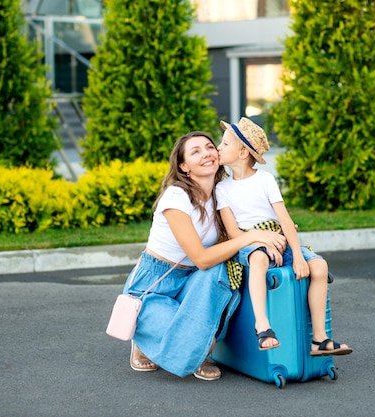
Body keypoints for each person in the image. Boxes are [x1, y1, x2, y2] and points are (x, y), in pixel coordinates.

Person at [123, 130, 287, 381]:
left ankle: (197, 345)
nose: (207, 154)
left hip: (193, 282)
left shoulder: (222, 193)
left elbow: (248, 226)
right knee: (194, 336)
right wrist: (253, 236)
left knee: (216, 273)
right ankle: (144, 338)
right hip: (155, 286)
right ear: (184, 166)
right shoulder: (176, 196)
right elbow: (201, 257)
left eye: (210, 147)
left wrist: (276, 232)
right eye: (195, 151)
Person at [216, 117, 353, 356]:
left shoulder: (265, 180)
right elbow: (234, 233)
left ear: (242, 153)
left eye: (225, 144)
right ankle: (263, 326)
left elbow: (286, 221)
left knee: (319, 266)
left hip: (278, 237)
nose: (218, 147)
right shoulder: (222, 189)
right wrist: (262, 241)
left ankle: (319, 339)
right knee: (258, 260)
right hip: (248, 243)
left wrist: (298, 256)